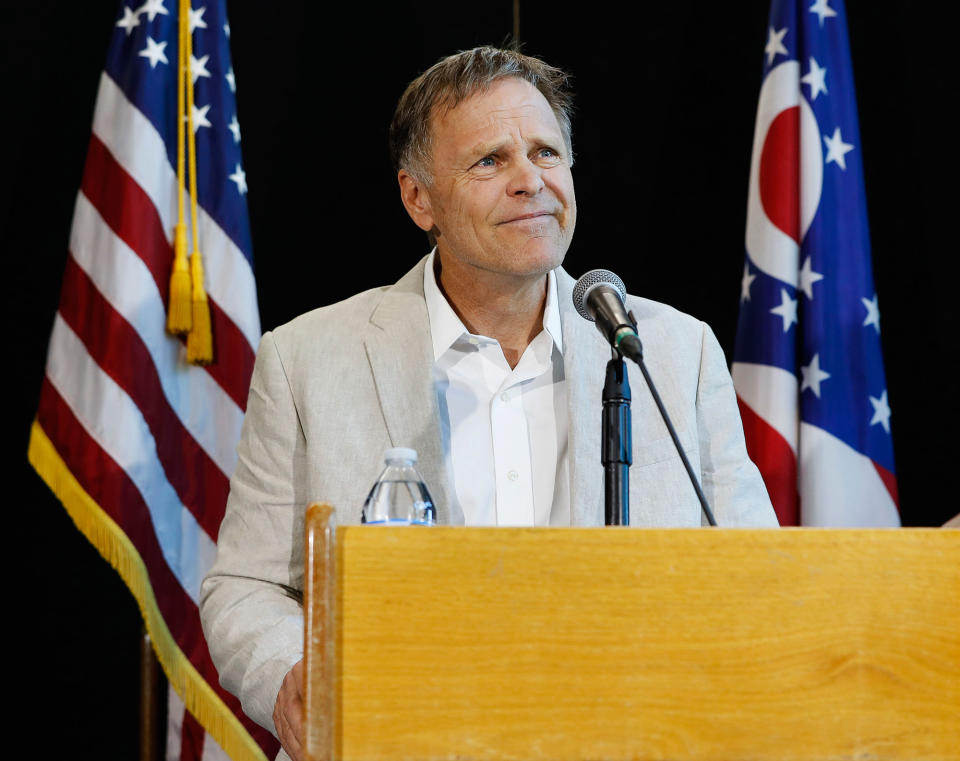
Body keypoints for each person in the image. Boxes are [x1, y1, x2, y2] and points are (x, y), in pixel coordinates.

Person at [200, 46, 777, 761]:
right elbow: (247, 585)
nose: (530, 181)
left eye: (546, 153)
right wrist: (289, 675)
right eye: (489, 161)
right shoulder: (308, 358)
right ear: (420, 199)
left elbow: (755, 572)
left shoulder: (671, 352)